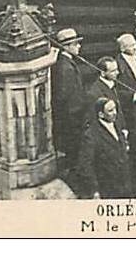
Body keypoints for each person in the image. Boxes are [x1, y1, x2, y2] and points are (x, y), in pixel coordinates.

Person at [77, 97, 134, 199]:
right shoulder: (91, 135)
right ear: (101, 114)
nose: (115, 113)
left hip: (125, 183)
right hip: (108, 188)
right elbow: (86, 165)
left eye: (115, 109)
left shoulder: (116, 124)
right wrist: (94, 190)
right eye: (110, 111)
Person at [51, 28, 87, 170]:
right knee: (74, 151)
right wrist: (78, 116)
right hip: (72, 119)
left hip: (73, 117)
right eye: (75, 44)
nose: (79, 46)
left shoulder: (67, 63)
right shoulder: (66, 68)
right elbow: (66, 97)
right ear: (67, 47)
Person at [86, 56, 128, 133]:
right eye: (113, 71)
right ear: (103, 73)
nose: (117, 73)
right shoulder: (95, 93)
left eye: (117, 69)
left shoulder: (114, 85)